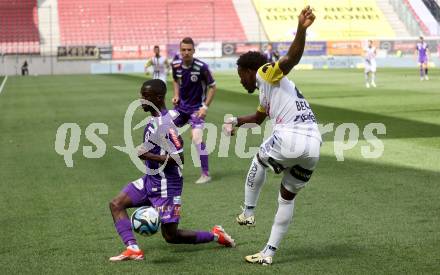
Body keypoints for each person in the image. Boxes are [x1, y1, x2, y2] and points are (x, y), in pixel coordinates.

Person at [223, 6, 320, 265]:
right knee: (286, 198)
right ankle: (268, 254)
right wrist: (235, 122)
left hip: (291, 136)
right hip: (314, 145)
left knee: (258, 160)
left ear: (247, 70)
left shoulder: (265, 71)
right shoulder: (267, 89)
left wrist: (301, 28)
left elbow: (290, 60)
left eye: (239, 76)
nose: (240, 81)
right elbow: (257, 119)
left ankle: (248, 212)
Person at [109, 79, 234, 262]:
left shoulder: (164, 125)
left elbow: (178, 159)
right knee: (116, 204)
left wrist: (147, 155)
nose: (140, 98)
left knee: (171, 236)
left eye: (145, 96)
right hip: (150, 179)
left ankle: (216, 235)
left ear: (157, 98)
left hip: (167, 186)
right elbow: (180, 114)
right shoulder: (164, 117)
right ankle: (133, 249)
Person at [171, 37, 217, 184]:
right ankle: (171, 170)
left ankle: (206, 174)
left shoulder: (202, 67)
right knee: (164, 130)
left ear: (194, 50)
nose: (186, 52)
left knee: (197, 138)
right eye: (183, 50)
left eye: (189, 50)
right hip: (181, 108)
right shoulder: (176, 65)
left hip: (197, 110)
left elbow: (213, 87)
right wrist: (176, 95)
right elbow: (175, 80)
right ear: (180, 50)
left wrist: (205, 107)